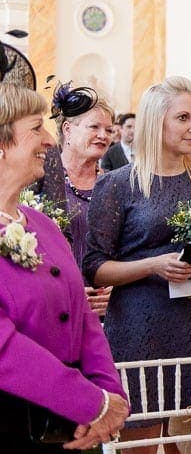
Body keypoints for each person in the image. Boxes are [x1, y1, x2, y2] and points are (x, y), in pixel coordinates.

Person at [83, 76, 191, 454]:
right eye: (183, 117)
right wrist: (154, 265)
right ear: (153, 123)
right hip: (140, 330)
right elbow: (95, 268)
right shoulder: (119, 184)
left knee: (186, 442)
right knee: (140, 445)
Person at [0, 83, 128, 454]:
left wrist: (111, 395)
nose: (50, 140)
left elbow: (83, 317)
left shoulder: (44, 226)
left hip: (63, 427)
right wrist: (89, 402)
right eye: (37, 128)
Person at [33, 83, 114, 315]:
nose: (103, 136)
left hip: (105, 312)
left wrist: (116, 289)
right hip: (53, 304)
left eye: (109, 130)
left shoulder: (114, 184)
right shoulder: (40, 177)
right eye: (94, 127)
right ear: (67, 129)